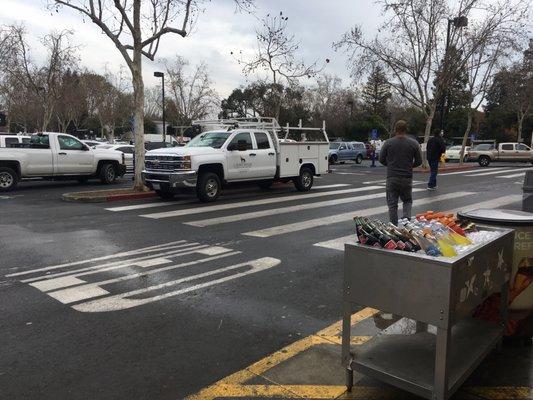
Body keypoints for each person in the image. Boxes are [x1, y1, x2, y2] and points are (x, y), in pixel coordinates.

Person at [379, 120, 422, 225]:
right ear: (406, 130)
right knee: (407, 201)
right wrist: (410, 166)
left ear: (395, 130)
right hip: (407, 177)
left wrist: (390, 165)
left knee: (392, 204)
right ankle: (406, 223)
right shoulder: (414, 143)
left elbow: (381, 159)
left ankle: (394, 226)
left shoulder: (388, 143)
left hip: (392, 177)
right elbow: (419, 161)